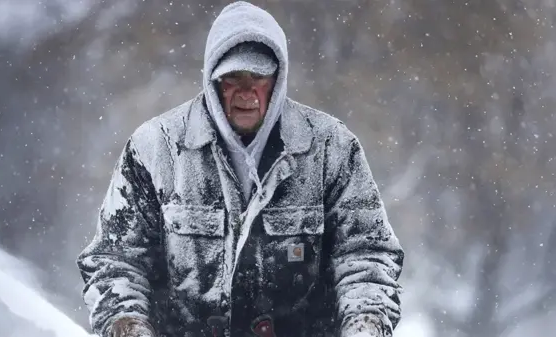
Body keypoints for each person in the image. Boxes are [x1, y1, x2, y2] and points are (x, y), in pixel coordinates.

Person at [77, 2, 405, 337]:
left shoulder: (333, 148)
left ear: (277, 79)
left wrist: (366, 324)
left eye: (258, 76)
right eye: (233, 77)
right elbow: (115, 260)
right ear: (213, 78)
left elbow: (367, 254)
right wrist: (127, 325)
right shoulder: (154, 148)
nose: (246, 92)